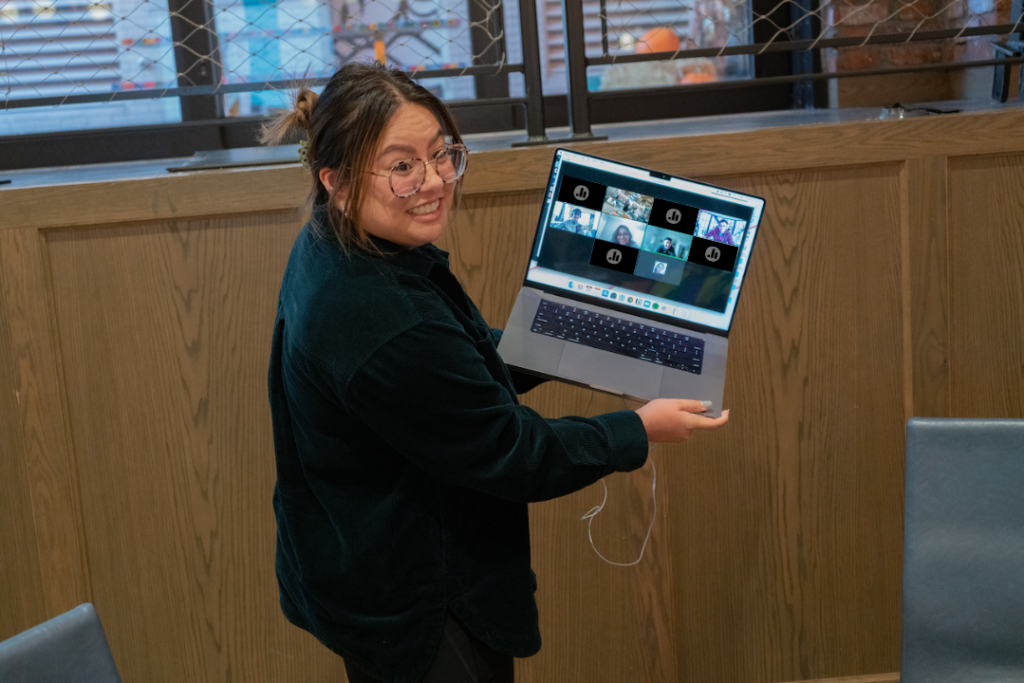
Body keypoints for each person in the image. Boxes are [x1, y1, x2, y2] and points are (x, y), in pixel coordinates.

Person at [263, 61, 729, 683]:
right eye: (401, 167)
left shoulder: (336, 240)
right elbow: (513, 453)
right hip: (420, 599)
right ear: (338, 181)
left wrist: (582, 341)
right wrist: (638, 431)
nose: (433, 183)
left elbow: (457, 365)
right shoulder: (382, 317)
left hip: (362, 559)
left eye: (441, 155)